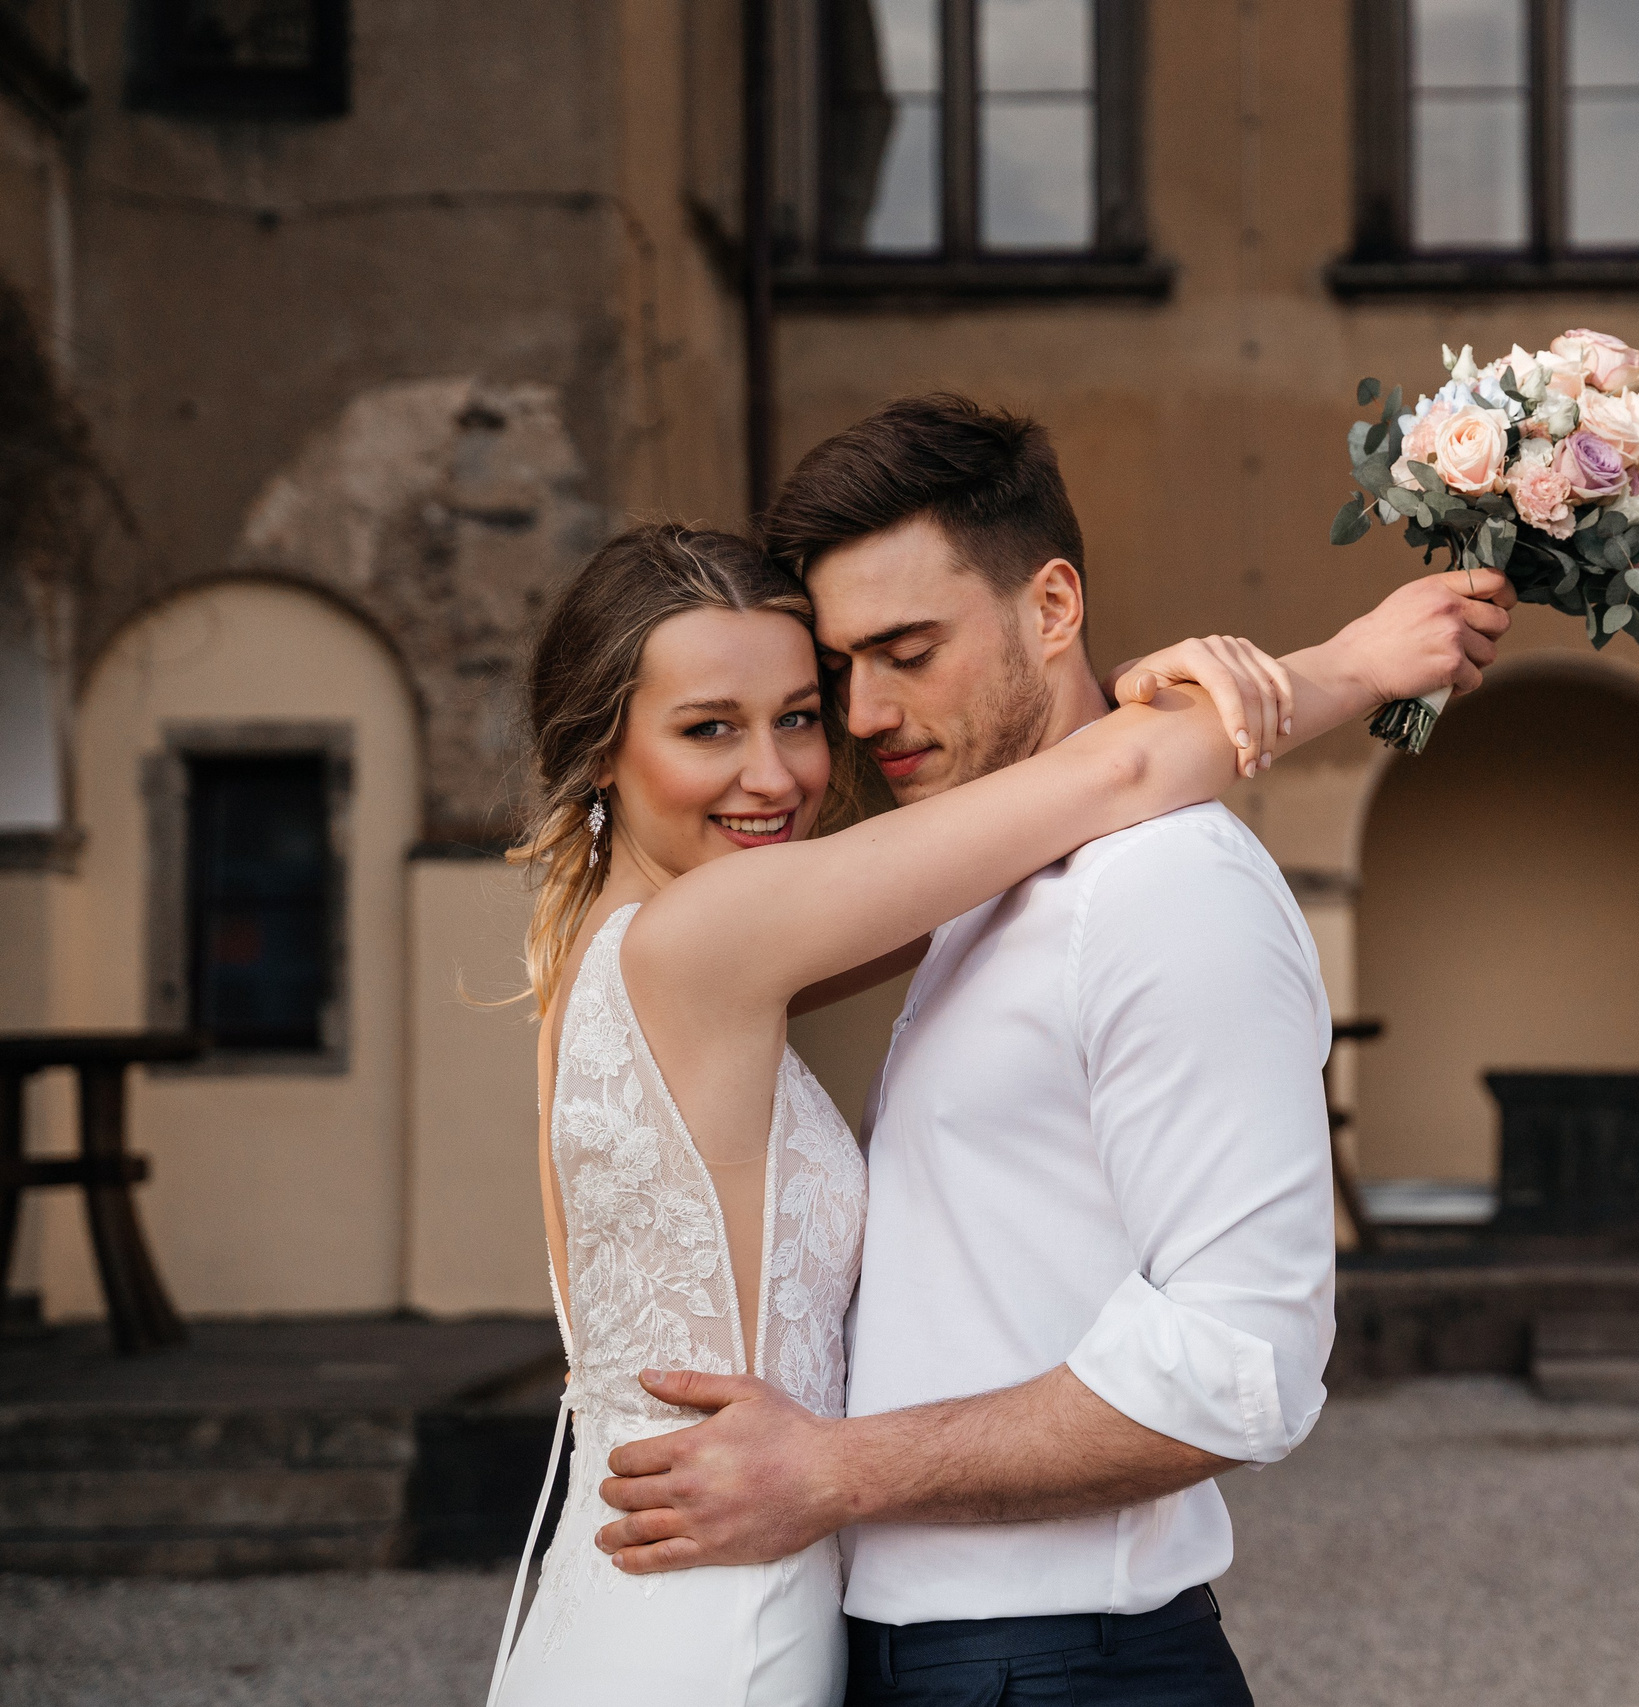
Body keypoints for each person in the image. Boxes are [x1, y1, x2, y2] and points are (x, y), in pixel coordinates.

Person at [485, 501, 1511, 1706]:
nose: (776, 775)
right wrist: (1357, 661)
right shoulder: (707, 935)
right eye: (710, 728)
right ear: (599, 750)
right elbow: (1114, 775)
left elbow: (1013, 841)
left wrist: (1146, 694)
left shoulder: (611, 954)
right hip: (720, 1617)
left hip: (636, 1595)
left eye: (800, 717)